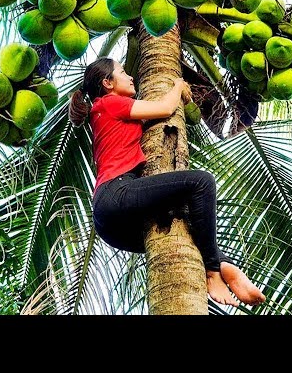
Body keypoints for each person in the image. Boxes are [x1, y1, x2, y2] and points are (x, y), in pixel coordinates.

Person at [68, 57, 265, 307]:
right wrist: (178, 86)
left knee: (187, 225)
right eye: (123, 72)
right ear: (107, 83)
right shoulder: (109, 103)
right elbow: (164, 109)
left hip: (113, 226)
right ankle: (214, 273)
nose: (130, 76)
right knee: (202, 182)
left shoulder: (103, 110)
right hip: (115, 193)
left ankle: (227, 267)